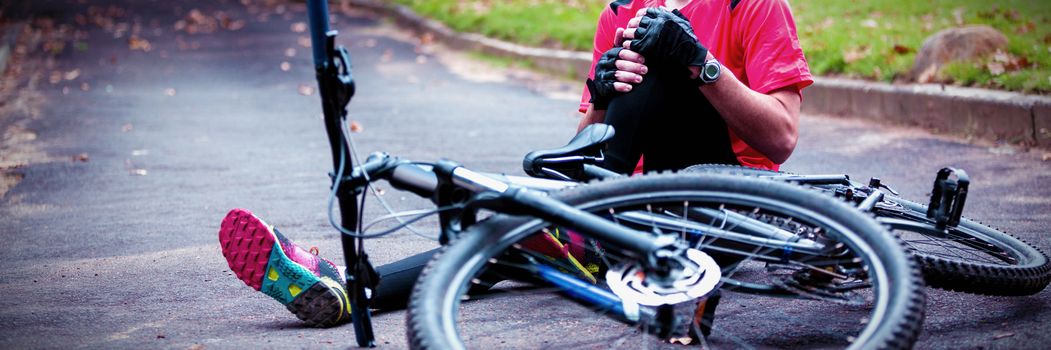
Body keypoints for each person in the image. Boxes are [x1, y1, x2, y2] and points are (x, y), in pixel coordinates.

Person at [218, 0, 813, 327]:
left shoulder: (754, 4)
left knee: (664, 60)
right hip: (632, 209)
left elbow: (781, 138)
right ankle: (350, 289)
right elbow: (584, 144)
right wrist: (601, 96)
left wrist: (699, 64)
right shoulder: (621, 12)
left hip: (729, 204)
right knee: (504, 234)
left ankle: (567, 230)